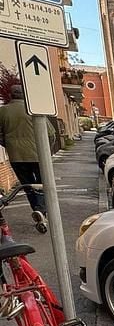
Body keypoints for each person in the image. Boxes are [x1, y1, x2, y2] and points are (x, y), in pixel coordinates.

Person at [0, 84, 53, 233]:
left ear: (11, 95)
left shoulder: (3, 111)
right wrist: (46, 149)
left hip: (16, 156)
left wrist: (9, 144)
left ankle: (38, 211)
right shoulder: (33, 109)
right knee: (43, 184)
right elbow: (50, 133)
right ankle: (41, 211)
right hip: (38, 154)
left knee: (27, 185)